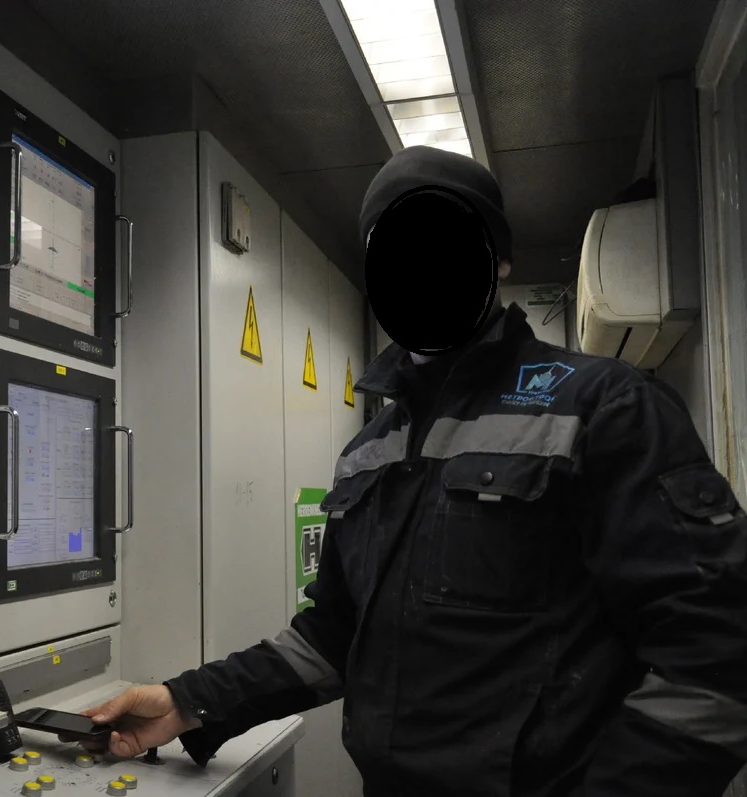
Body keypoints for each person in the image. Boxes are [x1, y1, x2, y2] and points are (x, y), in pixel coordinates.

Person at [77, 146, 747, 796]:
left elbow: (719, 649)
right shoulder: (370, 449)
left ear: (498, 259)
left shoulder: (601, 406)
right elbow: (333, 637)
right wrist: (185, 701)